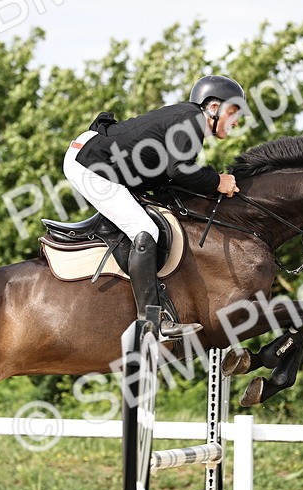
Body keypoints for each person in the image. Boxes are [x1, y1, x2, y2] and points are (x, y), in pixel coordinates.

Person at [63, 75, 245, 338]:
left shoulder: (188, 121)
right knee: (145, 229)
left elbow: (169, 178)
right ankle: (151, 321)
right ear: (213, 108)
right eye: (233, 111)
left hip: (97, 158)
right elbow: (179, 169)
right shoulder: (192, 119)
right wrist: (217, 181)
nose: (236, 121)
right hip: (91, 163)